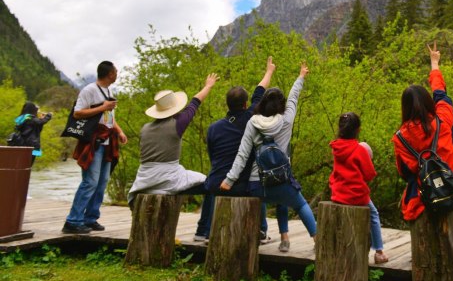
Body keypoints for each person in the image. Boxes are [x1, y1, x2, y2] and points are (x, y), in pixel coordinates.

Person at [220, 62, 316, 253]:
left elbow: (243, 154)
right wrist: (301, 76)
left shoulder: (252, 123)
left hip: (258, 185)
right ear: (281, 105)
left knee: (261, 200)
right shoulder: (287, 120)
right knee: (300, 204)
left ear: (262, 103)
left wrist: (229, 180)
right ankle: (318, 240)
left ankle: (269, 238)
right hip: (281, 180)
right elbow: (294, 97)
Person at [392, 42, 453, 222]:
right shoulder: (443, 120)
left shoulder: (400, 138)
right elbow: (440, 94)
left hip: (423, 199)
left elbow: (404, 172)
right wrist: (434, 64)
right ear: (428, 102)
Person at [194, 57, 276, 242]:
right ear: (246, 105)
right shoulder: (250, 118)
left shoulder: (213, 128)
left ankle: (203, 231)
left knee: (212, 178)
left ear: (227, 105)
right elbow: (260, 91)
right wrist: (269, 71)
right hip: (240, 184)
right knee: (257, 180)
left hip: (217, 183)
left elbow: (212, 155)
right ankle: (261, 231)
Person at [127, 73, 219, 208]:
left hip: (144, 181)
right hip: (169, 179)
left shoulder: (145, 128)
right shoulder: (178, 124)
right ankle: (203, 229)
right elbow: (195, 102)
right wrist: (208, 86)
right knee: (210, 184)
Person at [63, 61, 128, 234]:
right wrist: (103, 107)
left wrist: (119, 131)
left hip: (107, 141)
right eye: (116, 71)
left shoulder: (109, 90)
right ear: (110, 74)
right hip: (93, 141)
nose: (117, 74)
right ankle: (73, 221)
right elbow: (77, 113)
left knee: (102, 182)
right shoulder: (89, 90)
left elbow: (109, 117)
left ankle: (90, 218)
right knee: (90, 182)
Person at [329, 112, 388, 264]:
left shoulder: (336, 148)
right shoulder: (360, 150)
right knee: (373, 214)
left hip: (338, 194)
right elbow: (369, 175)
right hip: (356, 195)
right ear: (358, 130)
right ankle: (379, 252)